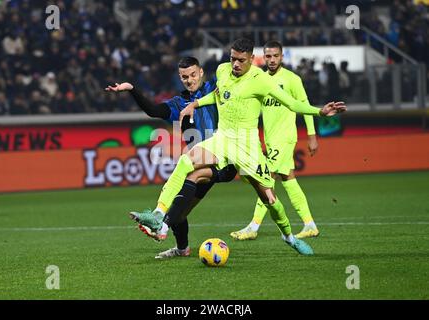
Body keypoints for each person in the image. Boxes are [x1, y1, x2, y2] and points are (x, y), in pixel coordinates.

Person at [130, 38, 346, 256]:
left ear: (252, 59)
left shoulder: (261, 80)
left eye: (241, 60)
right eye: (233, 58)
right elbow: (217, 94)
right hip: (222, 140)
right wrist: (195, 104)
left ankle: (289, 236)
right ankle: (159, 216)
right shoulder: (222, 71)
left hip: (247, 148)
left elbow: (290, 103)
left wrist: (319, 112)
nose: (235, 64)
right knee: (186, 160)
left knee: (269, 199)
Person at [105, 57, 236, 259]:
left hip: (226, 158)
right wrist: (132, 89)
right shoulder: (178, 103)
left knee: (264, 187)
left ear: (201, 72)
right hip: (199, 162)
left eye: (193, 75)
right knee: (179, 211)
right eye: (185, 77)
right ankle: (181, 248)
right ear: (180, 78)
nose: (190, 80)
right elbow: (153, 110)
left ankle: (160, 223)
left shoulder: (215, 88)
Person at [230, 40, 319, 241]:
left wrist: (312, 136)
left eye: (275, 56)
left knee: (265, 179)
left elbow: (304, 106)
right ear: (263, 57)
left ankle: (253, 227)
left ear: (282, 57)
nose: (271, 60)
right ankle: (310, 224)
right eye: (268, 56)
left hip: (285, 138)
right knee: (288, 179)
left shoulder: (292, 79)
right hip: (269, 139)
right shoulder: (261, 79)